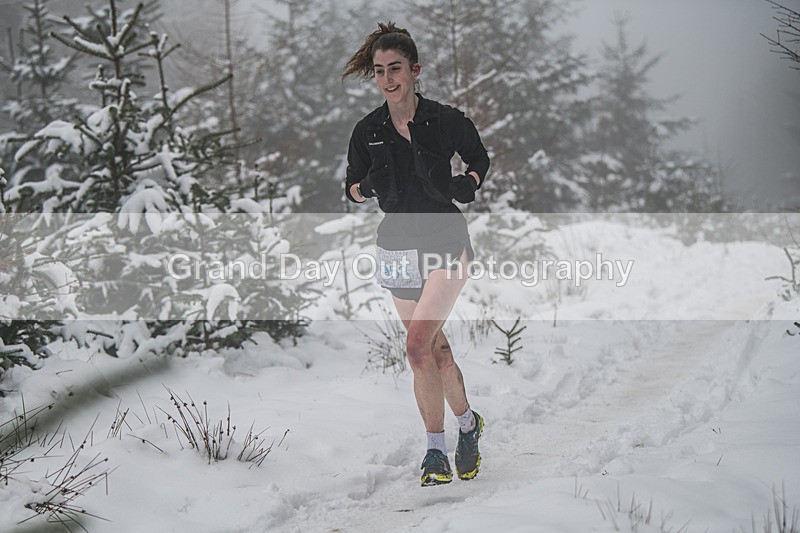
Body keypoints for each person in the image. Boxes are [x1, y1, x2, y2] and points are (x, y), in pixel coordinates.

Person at [342, 22, 490, 487]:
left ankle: (434, 453)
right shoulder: (368, 131)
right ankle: (468, 426)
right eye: (381, 71)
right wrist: (364, 188)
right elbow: (350, 186)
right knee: (434, 351)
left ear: (414, 70)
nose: (388, 79)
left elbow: (479, 158)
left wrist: (469, 183)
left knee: (415, 346)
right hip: (396, 245)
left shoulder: (444, 120)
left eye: (396, 69)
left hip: (446, 240)